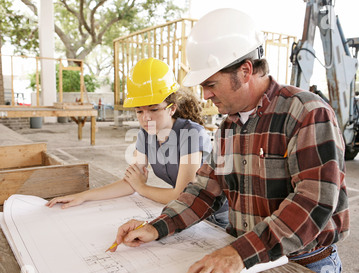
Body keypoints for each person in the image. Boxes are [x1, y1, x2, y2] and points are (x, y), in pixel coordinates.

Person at [111, 8, 350, 273]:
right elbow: (205, 191)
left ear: (245, 70)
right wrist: (158, 227)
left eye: (210, 84)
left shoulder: (305, 113)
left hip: (305, 266)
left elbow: (313, 202)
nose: (205, 95)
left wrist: (237, 254)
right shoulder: (228, 128)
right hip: (247, 264)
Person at [47, 57, 228, 229]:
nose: (145, 118)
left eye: (154, 109)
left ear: (172, 109)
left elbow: (182, 195)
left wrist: (142, 187)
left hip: (215, 218)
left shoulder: (191, 133)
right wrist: (83, 196)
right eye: (139, 111)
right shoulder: (146, 135)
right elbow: (129, 183)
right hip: (187, 213)